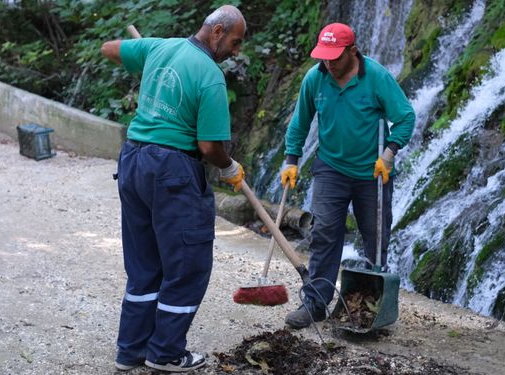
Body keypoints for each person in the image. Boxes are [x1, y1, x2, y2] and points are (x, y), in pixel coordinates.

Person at [100, 5, 246, 372]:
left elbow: (109, 48)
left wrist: (145, 63)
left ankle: (130, 351)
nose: (236, 50)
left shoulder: (159, 48)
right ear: (216, 32)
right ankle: (164, 353)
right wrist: (229, 168)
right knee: (187, 266)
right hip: (172, 171)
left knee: (145, 264)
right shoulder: (210, 77)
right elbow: (210, 147)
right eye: (235, 41)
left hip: (133, 161)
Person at [280, 23, 415, 329]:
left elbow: (405, 117)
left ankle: (370, 304)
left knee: (375, 235)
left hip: (372, 171)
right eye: (324, 56)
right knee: (325, 233)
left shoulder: (377, 78)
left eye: (335, 57)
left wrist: (389, 152)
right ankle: (315, 303)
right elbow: (300, 122)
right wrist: (291, 159)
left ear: (353, 51)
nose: (328, 62)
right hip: (331, 168)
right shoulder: (315, 79)